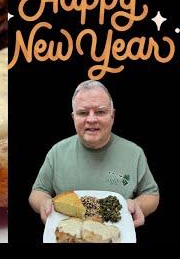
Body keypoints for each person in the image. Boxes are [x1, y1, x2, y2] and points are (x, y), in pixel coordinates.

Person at [29, 80, 159, 228]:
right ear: (74, 118)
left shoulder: (135, 153)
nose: (91, 119)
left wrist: (137, 205)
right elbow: (37, 192)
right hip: (68, 233)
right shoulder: (57, 152)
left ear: (112, 115)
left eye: (100, 111)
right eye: (83, 113)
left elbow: (151, 195)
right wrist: (44, 203)